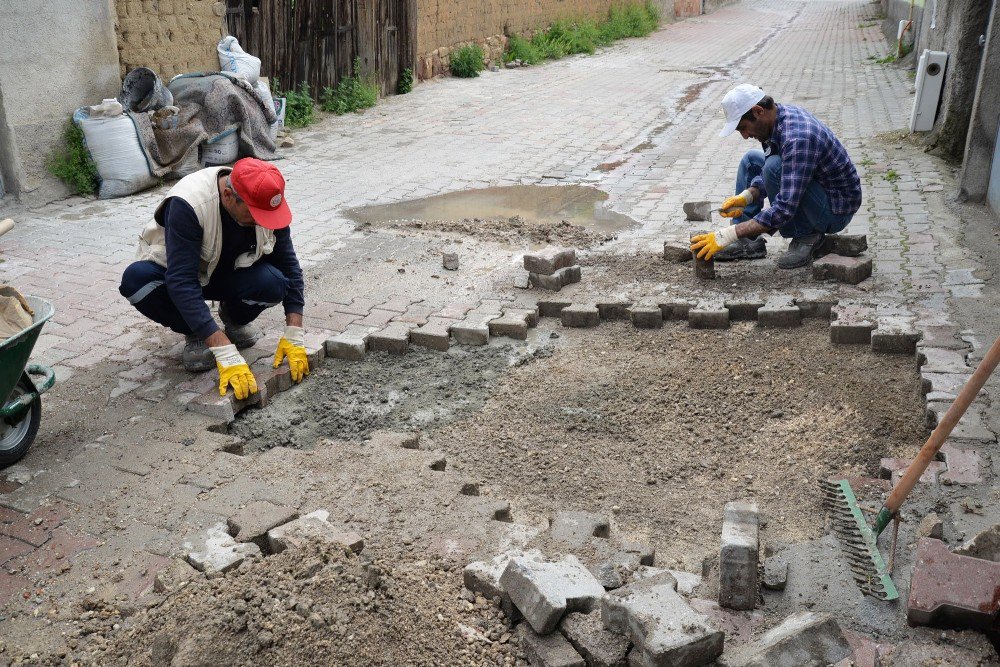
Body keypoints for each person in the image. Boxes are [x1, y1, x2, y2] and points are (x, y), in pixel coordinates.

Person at [119, 158, 309, 400]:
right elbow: (182, 282)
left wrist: (295, 333)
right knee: (137, 281)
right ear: (228, 195)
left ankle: (234, 318)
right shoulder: (188, 204)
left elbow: (290, 266)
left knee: (274, 283)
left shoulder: (265, 199)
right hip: (186, 275)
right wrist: (224, 351)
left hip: (231, 274)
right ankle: (196, 332)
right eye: (254, 215)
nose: (262, 221)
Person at [691, 84, 862, 269]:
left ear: (758, 111)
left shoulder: (798, 138)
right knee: (751, 161)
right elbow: (784, 174)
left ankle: (805, 235)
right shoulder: (775, 121)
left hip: (834, 210)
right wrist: (746, 196)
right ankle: (747, 241)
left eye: (743, 128)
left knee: (773, 167)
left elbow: (784, 208)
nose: (745, 136)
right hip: (812, 185)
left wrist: (727, 234)